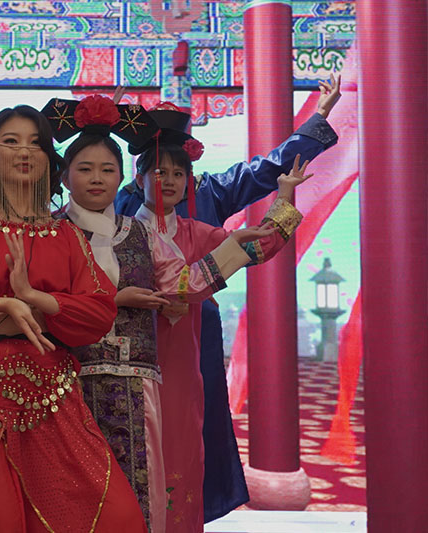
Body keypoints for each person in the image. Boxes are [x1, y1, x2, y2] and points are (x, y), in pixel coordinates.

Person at [0, 105, 146, 532]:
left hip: (53, 394)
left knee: (116, 515)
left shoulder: (66, 235)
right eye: (11, 142)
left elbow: (99, 310)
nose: (24, 151)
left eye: (36, 143)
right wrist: (2, 304)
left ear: (48, 160)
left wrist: (35, 297)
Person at [114, 75, 341, 523]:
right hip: (126, 339)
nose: (169, 179)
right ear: (139, 170)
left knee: (191, 429)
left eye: (178, 170)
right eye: (158, 169)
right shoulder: (118, 213)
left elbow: (266, 182)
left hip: (191, 335)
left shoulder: (208, 197)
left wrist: (319, 119)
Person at [44, 94, 276, 532]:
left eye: (106, 169)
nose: (97, 179)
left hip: (135, 388)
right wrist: (114, 300)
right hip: (63, 386)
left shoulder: (140, 234)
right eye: (85, 169)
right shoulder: (48, 233)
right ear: (65, 175)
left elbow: (183, 284)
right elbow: (39, 300)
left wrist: (231, 249)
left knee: (138, 498)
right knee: (69, 498)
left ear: (121, 178)